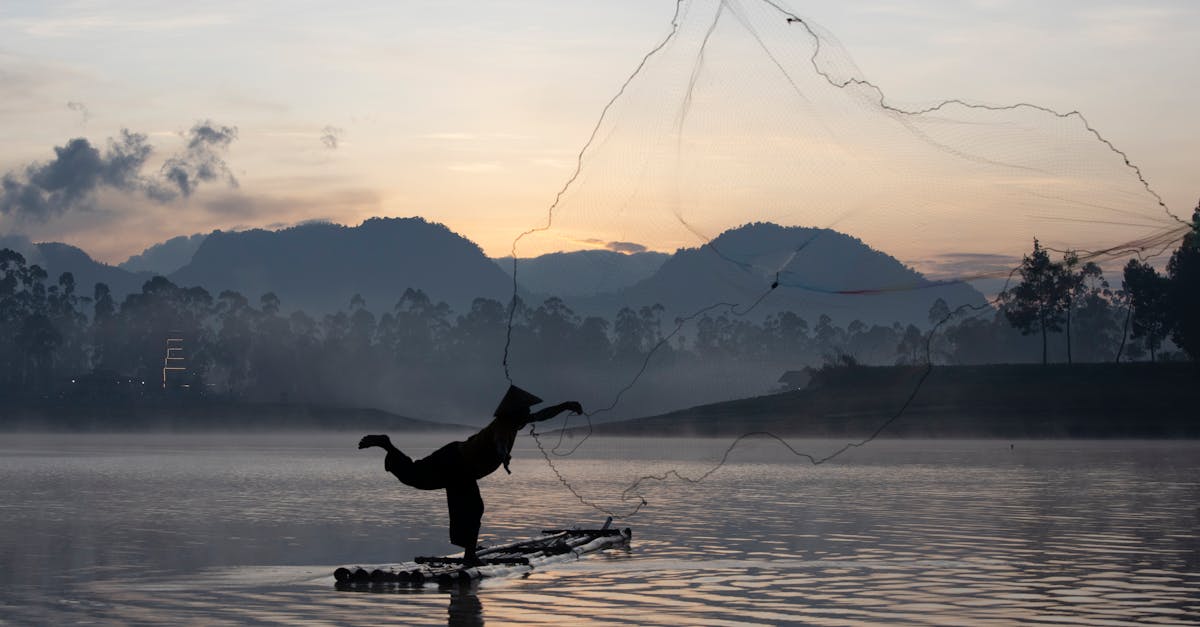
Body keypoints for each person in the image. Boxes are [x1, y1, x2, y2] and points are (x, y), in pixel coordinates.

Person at [358, 385, 583, 564]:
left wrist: (565, 405)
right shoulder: (504, 424)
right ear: (514, 412)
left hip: (458, 463)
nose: (528, 414)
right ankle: (469, 556)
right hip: (456, 463)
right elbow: (499, 442)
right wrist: (504, 456)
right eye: (524, 410)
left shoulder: (514, 422)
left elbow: (541, 415)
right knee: (456, 497)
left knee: (421, 478)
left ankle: (469, 554)